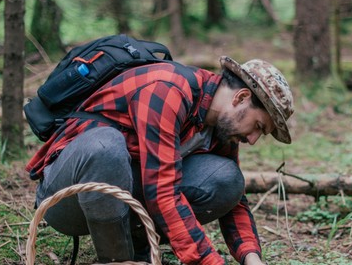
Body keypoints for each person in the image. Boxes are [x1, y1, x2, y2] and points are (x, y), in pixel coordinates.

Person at [25, 56, 294, 264]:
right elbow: (162, 192)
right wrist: (209, 260)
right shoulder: (167, 89)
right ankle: (119, 259)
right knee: (106, 146)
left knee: (227, 179)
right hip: (65, 197)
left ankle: (140, 248)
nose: (254, 139)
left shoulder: (219, 127)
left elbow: (235, 202)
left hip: (126, 197)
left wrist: (250, 255)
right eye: (258, 126)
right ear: (241, 97)